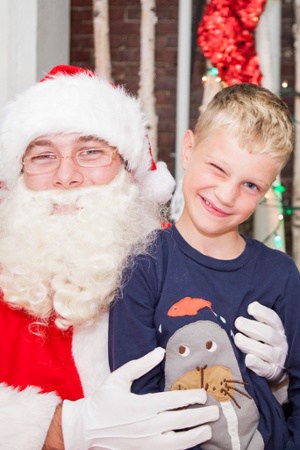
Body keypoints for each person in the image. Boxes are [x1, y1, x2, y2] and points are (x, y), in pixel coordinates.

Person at [0, 66, 288, 450]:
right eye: (43, 156)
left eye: (90, 152)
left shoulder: (175, 262)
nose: (65, 176)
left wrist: (278, 379)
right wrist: (63, 427)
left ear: (127, 167)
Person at [109, 83, 300, 449]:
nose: (226, 195)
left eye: (250, 185)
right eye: (217, 168)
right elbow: (135, 394)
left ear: (268, 189)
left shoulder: (280, 275)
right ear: (188, 149)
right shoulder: (144, 264)